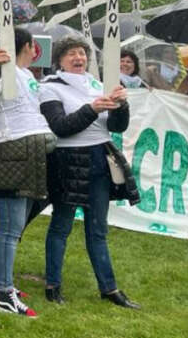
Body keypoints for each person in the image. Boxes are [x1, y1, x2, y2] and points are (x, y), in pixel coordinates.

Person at [39, 36, 140, 309]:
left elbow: (117, 127)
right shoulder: (50, 88)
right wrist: (92, 108)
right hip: (67, 159)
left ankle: (109, 288)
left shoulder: (98, 85)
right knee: (62, 225)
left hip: (99, 158)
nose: (79, 58)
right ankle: (53, 284)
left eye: (82, 53)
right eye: (71, 53)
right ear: (59, 59)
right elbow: (61, 126)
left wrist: (122, 105)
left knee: (98, 229)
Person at [0, 27, 53, 318]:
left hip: (29, 154)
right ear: (31, 46)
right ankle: (5, 294)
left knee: (16, 225)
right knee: (10, 228)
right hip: (9, 153)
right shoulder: (1, 70)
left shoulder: (27, 75)